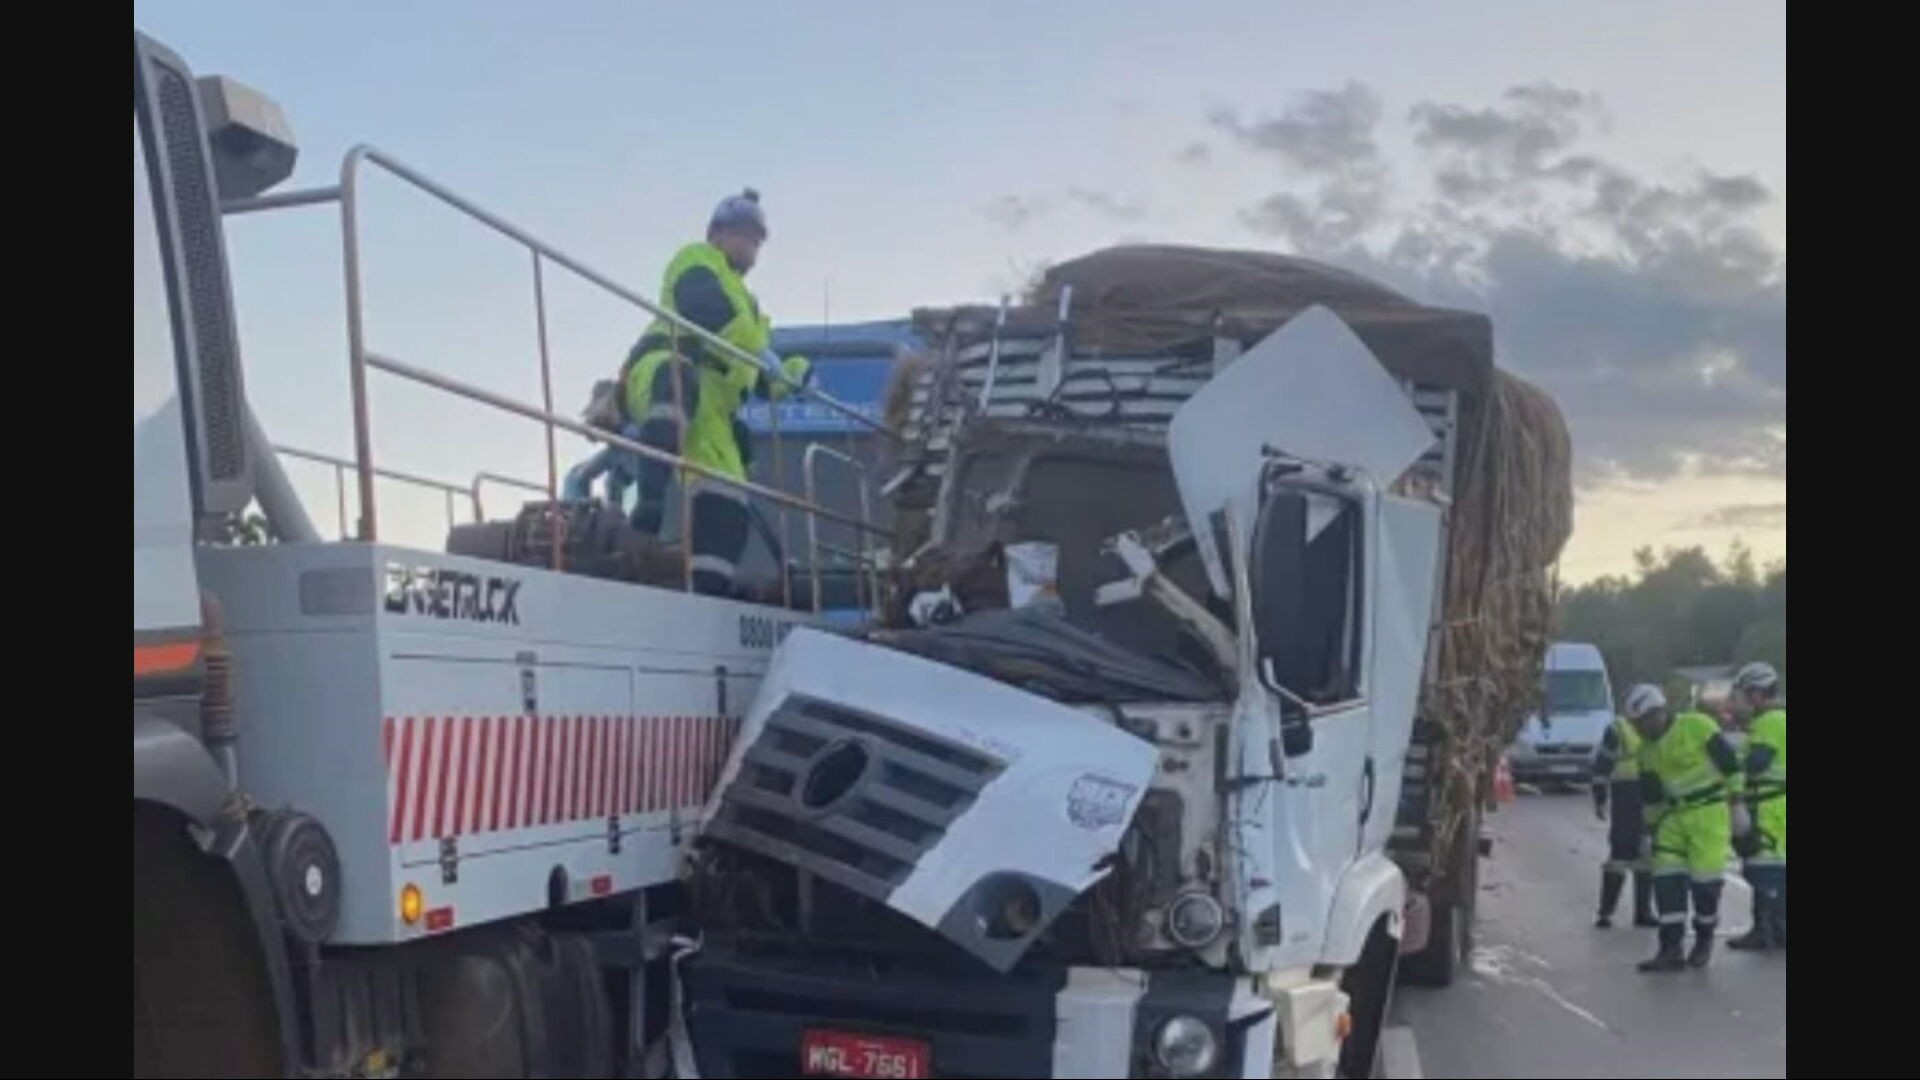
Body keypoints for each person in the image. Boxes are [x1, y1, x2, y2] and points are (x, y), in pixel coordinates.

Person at [564, 188, 810, 596]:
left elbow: (762, 378)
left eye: (756, 238)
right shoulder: (696, 260)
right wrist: (759, 349)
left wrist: (798, 373)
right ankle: (650, 504)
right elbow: (706, 310)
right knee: (678, 380)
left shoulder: (754, 310)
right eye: (742, 233)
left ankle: (709, 591)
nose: (750, 244)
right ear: (716, 233)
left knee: (730, 502)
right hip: (662, 367)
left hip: (713, 413)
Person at [1626, 684, 1746, 972]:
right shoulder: (1646, 752)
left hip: (1708, 814)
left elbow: (1730, 765)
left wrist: (1737, 804)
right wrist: (1649, 832)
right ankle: (1670, 949)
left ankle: (1703, 939)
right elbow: (1652, 798)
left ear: (1657, 713)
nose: (1640, 730)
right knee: (1666, 883)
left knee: (1705, 886)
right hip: (1672, 820)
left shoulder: (1697, 726)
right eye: (1634, 725)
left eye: (1642, 722)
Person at [1725, 661, 1786, 951]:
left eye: (1748, 694)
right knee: (1774, 868)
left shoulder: (1769, 722)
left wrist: (1731, 771)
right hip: (1775, 804)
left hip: (1768, 807)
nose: (1745, 701)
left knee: (1764, 868)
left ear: (1759, 693)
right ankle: (1777, 928)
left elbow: (1757, 762)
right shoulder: (1777, 719)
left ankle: (1766, 930)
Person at [1591, 711, 1657, 929]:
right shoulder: (1618, 729)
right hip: (1626, 795)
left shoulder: (1655, 726)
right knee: (1621, 851)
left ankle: (1643, 912)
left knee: (1646, 853)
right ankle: (1606, 912)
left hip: (1647, 794)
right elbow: (1602, 765)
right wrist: (1600, 797)